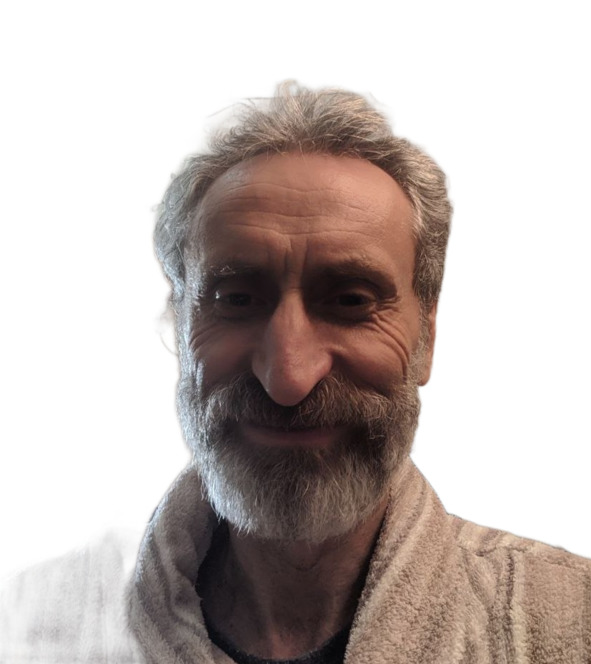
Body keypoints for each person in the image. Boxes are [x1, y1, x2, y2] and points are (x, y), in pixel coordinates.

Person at [2, 83, 590, 664]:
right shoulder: (29, 630)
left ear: (426, 336)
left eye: (351, 300)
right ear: (180, 328)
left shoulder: (571, 618)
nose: (288, 377)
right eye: (236, 299)